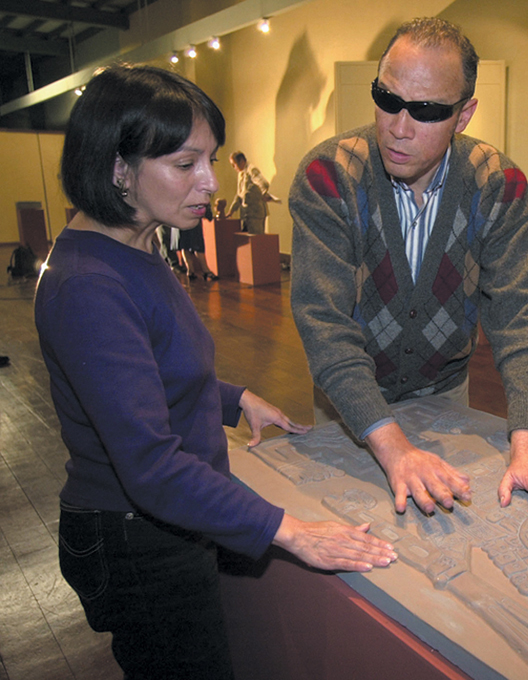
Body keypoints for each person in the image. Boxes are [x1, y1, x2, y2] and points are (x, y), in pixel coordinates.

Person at [35, 64, 397, 680]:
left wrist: (233, 399)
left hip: (157, 524)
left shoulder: (134, 245)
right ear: (119, 168)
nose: (207, 182)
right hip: (133, 540)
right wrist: (290, 530)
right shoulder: (88, 286)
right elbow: (149, 467)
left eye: (211, 160)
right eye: (184, 164)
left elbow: (149, 372)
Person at [290, 17, 528, 516]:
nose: (398, 127)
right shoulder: (330, 177)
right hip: (348, 403)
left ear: (464, 114)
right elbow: (324, 322)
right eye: (387, 99)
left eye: (427, 111)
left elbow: (520, 316)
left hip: (446, 390)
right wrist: (392, 447)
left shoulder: (498, 185)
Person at [225, 151, 271, 234]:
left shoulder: (251, 170)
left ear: (241, 161)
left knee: (256, 241)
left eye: (234, 164)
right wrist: (231, 211)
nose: (233, 167)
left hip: (255, 214)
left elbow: (264, 184)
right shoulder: (240, 174)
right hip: (246, 214)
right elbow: (239, 195)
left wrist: (262, 194)